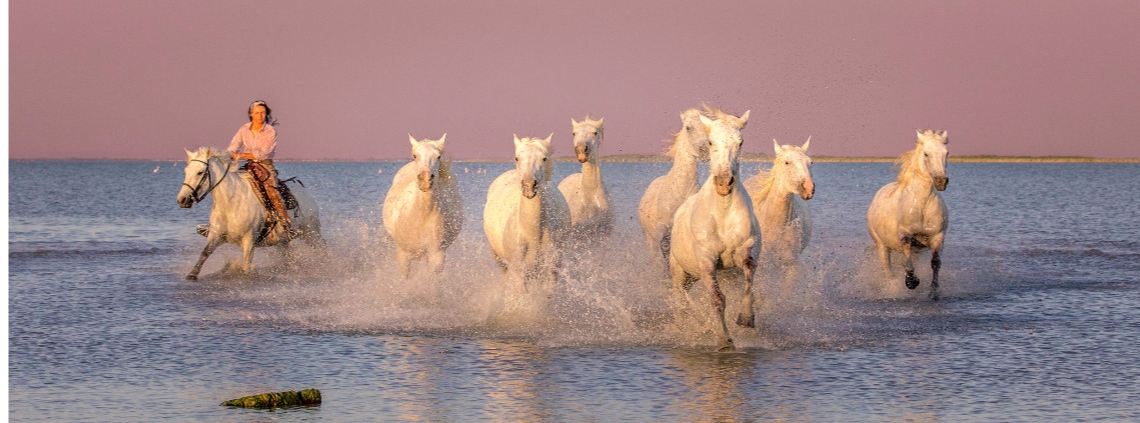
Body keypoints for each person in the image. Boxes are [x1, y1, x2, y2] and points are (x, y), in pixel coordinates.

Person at [227, 100, 298, 238]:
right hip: (248, 165)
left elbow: (263, 153)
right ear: (251, 114)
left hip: (265, 165)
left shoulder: (270, 131)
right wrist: (226, 155)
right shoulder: (243, 129)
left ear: (266, 115)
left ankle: (286, 222)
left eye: (263, 113)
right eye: (257, 113)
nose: (260, 116)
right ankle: (220, 223)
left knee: (271, 189)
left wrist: (240, 155)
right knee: (228, 184)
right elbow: (233, 146)